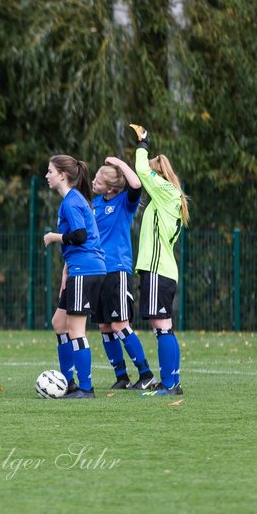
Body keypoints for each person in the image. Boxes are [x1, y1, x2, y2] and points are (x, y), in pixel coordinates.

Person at [129, 124, 190, 397]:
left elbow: (142, 171)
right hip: (162, 270)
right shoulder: (167, 198)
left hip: (157, 271)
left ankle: (168, 384)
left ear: (159, 175)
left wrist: (142, 144)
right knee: (163, 327)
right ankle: (172, 382)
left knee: (161, 326)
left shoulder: (165, 191)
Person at [42, 154, 107, 399]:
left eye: (49, 171)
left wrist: (53, 236)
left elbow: (80, 236)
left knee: (76, 330)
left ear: (62, 175)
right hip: (79, 268)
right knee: (59, 324)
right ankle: (67, 382)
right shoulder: (72, 200)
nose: (46, 176)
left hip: (86, 269)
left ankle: (86, 388)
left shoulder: (71, 201)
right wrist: (65, 273)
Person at [92, 156, 156, 390]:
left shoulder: (124, 203)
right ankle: (122, 377)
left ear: (111, 186)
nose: (93, 181)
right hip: (98, 271)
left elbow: (136, 184)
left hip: (117, 271)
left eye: (98, 179)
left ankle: (147, 374)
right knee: (105, 328)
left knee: (120, 325)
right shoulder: (96, 204)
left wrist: (119, 163)